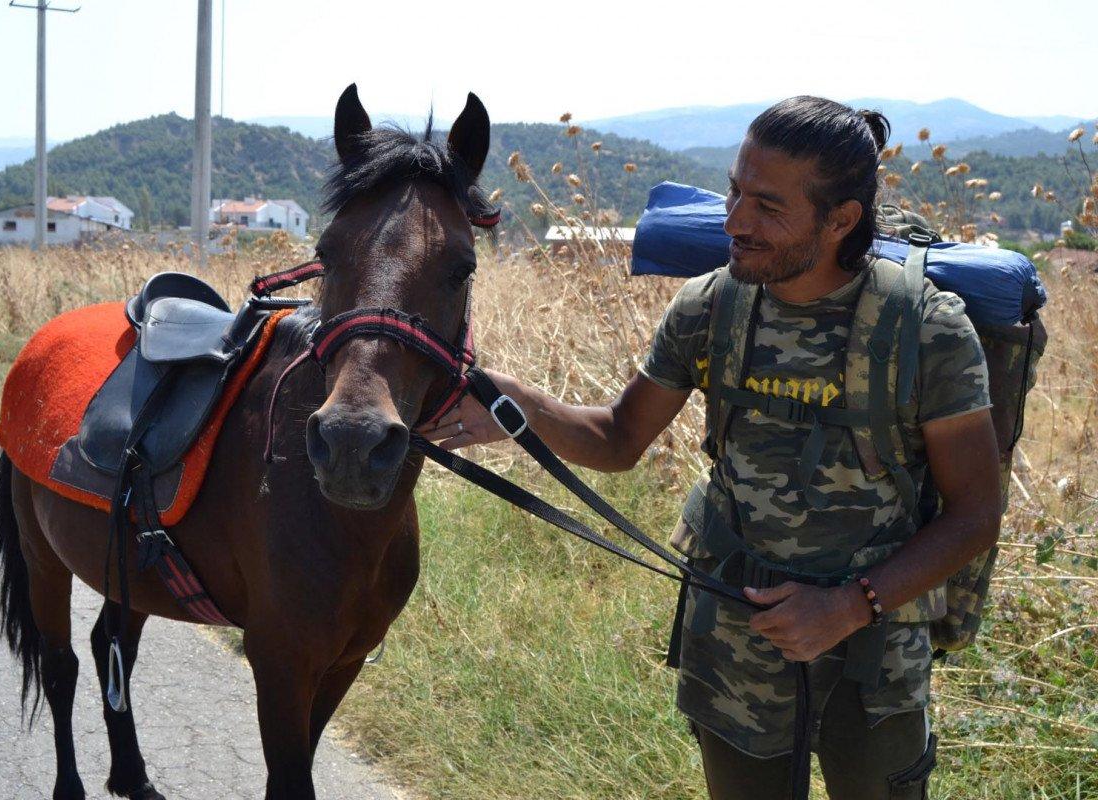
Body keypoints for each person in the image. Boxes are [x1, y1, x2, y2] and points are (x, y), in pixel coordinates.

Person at [420, 96, 1001, 799]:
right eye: (733, 191)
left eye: (767, 206)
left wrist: (846, 608)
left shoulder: (928, 331)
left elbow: (975, 515)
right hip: (734, 642)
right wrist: (516, 405)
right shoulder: (709, 307)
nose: (733, 222)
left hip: (873, 656)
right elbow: (617, 438)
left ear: (842, 219)